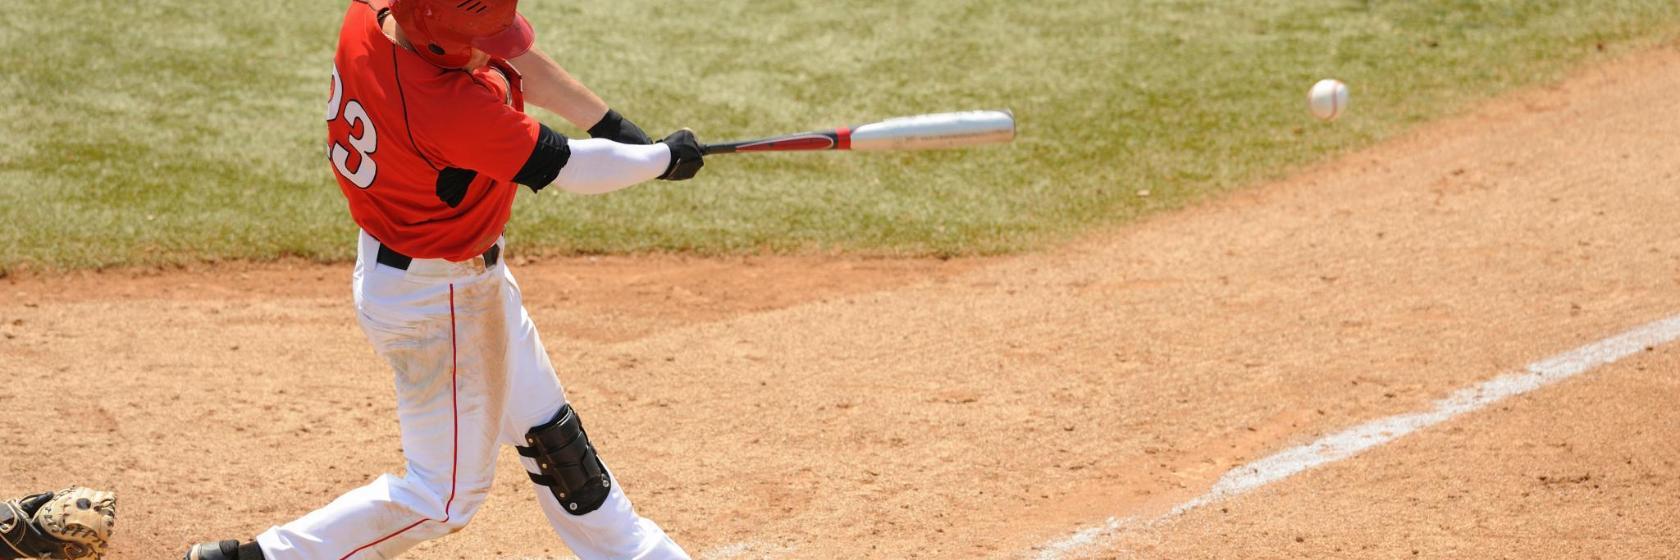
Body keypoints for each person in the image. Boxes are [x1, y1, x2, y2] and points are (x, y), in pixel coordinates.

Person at [183, 0, 700, 558]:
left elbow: (512, 53)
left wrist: (609, 123)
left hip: (436, 275)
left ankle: (637, 552)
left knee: (550, 434)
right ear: (439, 41)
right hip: (440, 301)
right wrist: (660, 159)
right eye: (482, 41)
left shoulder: (376, 14)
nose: (495, 52)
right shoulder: (444, 108)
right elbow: (570, 167)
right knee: (444, 496)